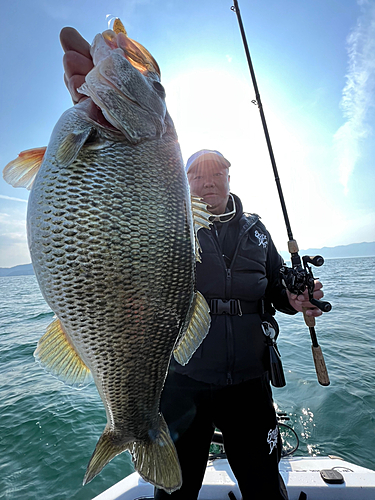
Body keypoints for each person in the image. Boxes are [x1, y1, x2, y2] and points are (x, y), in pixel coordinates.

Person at [60, 28, 325, 500]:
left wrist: (294, 295)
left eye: (215, 172)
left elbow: (275, 292)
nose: (206, 182)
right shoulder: (172, 223)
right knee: (175, 493)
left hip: (249, 384)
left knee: (266, 488)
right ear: (180, 180)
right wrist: (98, 139)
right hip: (182, 382)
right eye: (196, 174)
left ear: (229, 176)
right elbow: (121, 226)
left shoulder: (257, 231)